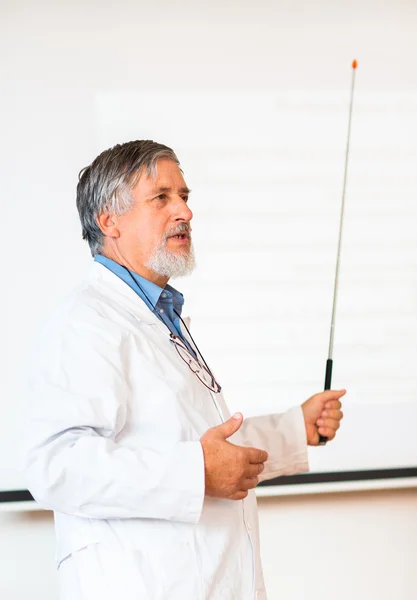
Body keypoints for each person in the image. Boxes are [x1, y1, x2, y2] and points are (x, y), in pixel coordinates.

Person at [24, 140, 346, 600]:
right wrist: (194, 471)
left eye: (185, 196)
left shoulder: (159, 314)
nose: (185, 212)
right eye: (162, 198)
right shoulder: (86, 320)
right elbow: (54, 465)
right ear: (108, 220)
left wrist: (297, 427)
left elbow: (203, 443)